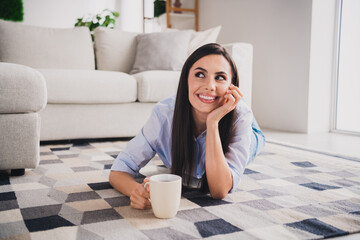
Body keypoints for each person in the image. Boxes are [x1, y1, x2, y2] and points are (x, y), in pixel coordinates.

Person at [109, 43, 265, 210]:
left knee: (245, 121)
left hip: (241, 123)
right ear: (186, 80)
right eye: (200, 74)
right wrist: (135, 191)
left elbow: (219, 191)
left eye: (220, 77)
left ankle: (236, 99)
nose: (209, 85)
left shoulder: (241, 117)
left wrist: (212, 123)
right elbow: (119, 170)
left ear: (231, 85)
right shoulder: (164, 114)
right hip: (206, 102)